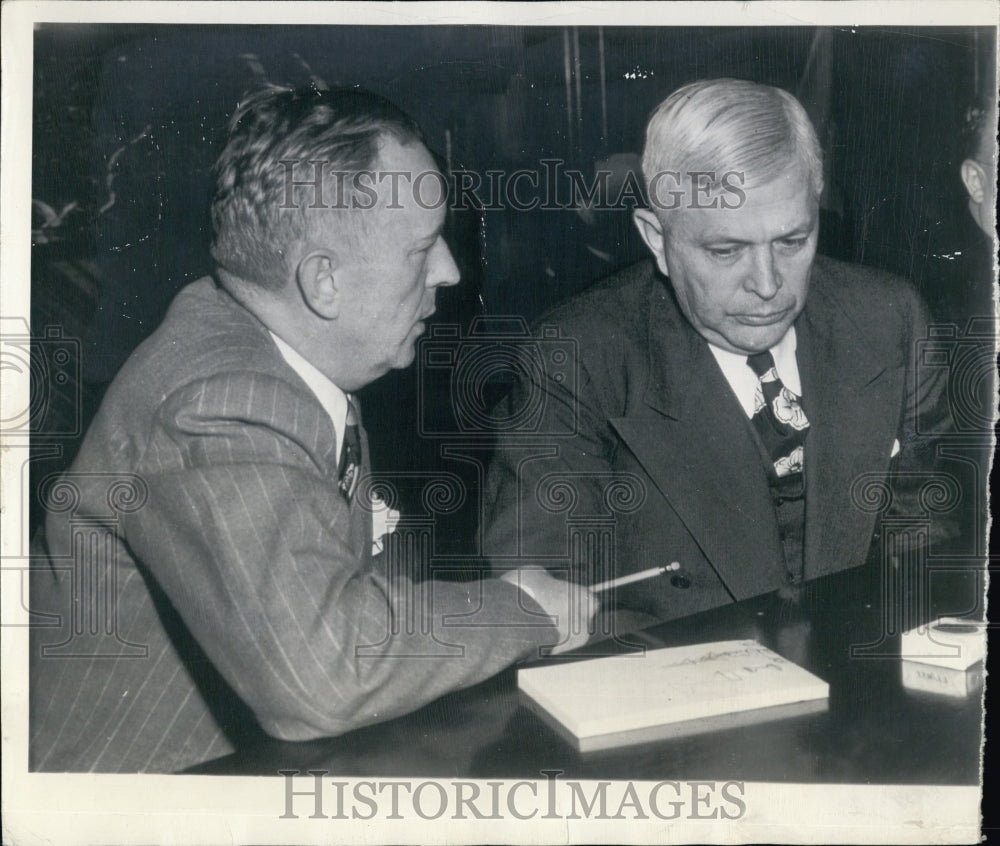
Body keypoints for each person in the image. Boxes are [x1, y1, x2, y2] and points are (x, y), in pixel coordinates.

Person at [30, 86, 594, 773]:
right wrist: (521, 609)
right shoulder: (222, 401)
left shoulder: (277, 353)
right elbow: (321, 675)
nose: (447, 271)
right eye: (422, 249)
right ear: (322, 282)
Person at [484, 78, 957, 626]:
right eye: (726, 250)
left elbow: (927, 545)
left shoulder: (890, 319)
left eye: (792, 241)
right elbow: (543, 597)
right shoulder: (576, 358)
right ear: (657, 239)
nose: (767, 283)